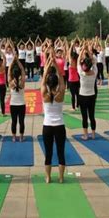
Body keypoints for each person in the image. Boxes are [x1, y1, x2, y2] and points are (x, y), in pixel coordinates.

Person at [41, 50, 66, 183]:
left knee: (48, 152)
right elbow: (62, 78)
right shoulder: (60, 93)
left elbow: (44, 79)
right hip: (59, 126)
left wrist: (48, 63)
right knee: (60, 152)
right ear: (57, 83)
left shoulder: (45, 94)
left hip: (47, 126)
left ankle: (48, 177)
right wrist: (55, 64)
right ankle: (61, 177)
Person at [78, 44, 97, 140]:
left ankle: (85, 135)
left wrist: (82, 50)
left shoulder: (82, 74)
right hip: (92, 95)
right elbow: (93, 61)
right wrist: (88, 52)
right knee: (92, 115)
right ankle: (93, 134)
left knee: (84, 116)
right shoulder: (94, 72)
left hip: (83, 96)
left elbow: (78, 61)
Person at [8, 57, 26, 142]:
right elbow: (22, 69)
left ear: (12, 74)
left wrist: (12, 61)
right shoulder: (22, 82)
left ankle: (14, 137)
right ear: (19, 74)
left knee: (14, 121)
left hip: (13, 105)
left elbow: (8, 72)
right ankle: (21, 137)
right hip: (21, 104)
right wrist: (18, 61)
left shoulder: (10, 83)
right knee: (21, 121)